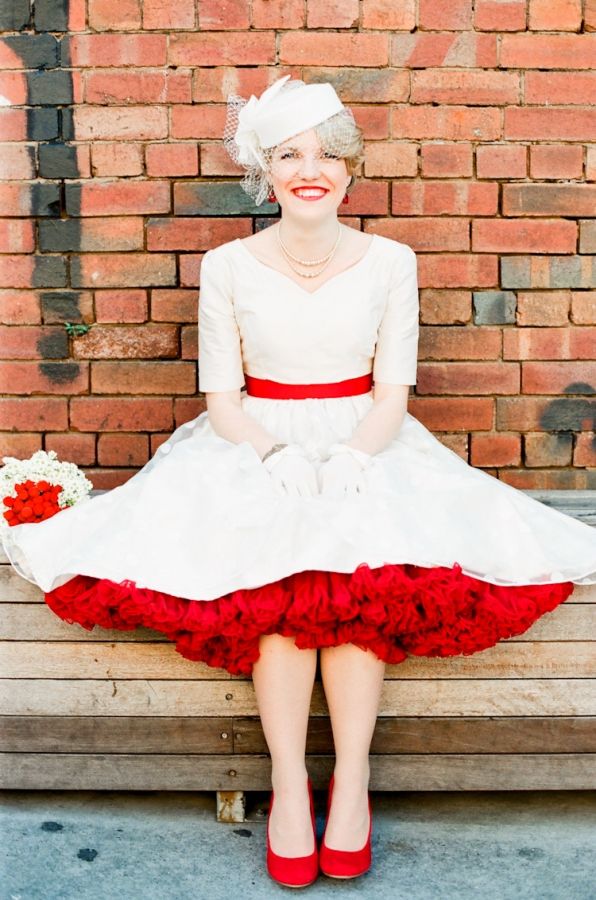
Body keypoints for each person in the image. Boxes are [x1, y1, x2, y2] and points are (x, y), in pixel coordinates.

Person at [2, 74, 596, 889]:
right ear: (267, 171)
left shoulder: (393, 261)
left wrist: (354, 457)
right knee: (278, 573)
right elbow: (221, 397)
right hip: (250, 440)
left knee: (356, 578)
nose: (309, 168)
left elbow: (393, 392)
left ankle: (349, 783)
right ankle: (289, 783)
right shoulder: (226, 265)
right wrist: (273, 457)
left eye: (325, 153)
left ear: (350, 168)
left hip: (370, 437)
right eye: (288, 154)